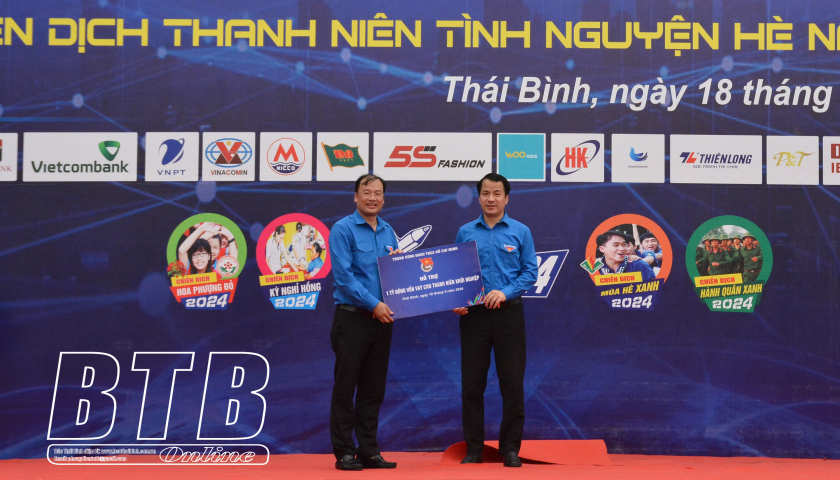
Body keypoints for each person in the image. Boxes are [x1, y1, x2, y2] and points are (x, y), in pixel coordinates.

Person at [452, 173, 538, 468]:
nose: (491, 199)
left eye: (497, 193)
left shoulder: (521, 231)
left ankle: (510, 449)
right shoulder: (465, 231)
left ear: (506, 198)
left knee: (512, 384)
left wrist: (505, 292)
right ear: (479, 198)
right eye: (486, 193)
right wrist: (456, 300)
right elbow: (456, 274)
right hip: (474, 316)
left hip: (508, 315)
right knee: (471, 386)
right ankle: (474, 449)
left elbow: (530, 272)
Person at [329, 174, 401, 471]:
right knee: (346, 387)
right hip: (353, 319)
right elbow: (344, 278)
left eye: (378, 193)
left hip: (383, 321)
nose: (373, 198)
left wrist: (401, 268)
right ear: (355, 196)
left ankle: (369, 450)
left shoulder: (388, 231)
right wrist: (374, 303)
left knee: (373, 390)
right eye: (367, 192)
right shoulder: (342, 229)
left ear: (384, 198)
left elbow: (395, 273)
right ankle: (344, 452)